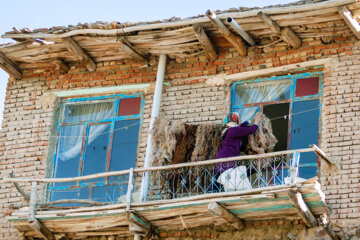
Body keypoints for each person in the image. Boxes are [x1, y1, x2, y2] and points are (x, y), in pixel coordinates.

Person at [213, 112, 261, 191]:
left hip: (221, 163)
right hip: (226, 162)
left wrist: (247, 122)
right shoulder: (233, 131)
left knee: (222, 181)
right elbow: (251, 130)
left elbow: (240, 127)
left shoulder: (229, 131)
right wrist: (256, 123)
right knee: (233, 178)